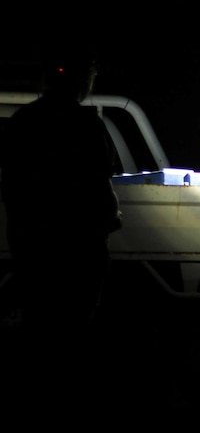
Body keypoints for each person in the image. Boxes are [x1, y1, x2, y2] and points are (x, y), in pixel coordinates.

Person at [0, 51, 122, 429]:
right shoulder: (85, 123)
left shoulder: (22, 121)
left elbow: (13, 185)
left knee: (38, 332)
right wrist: (109, 219)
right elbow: (104, 180)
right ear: (83, 83)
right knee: (73, 333)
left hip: (33, 246)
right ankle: (67, 409)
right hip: (79, 248)